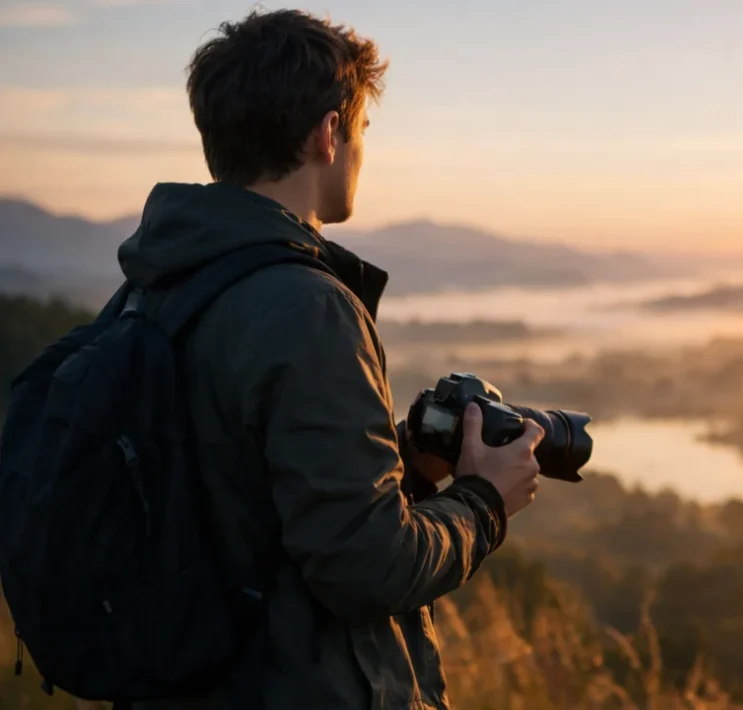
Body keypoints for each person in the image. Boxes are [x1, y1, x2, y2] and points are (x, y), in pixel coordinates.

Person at [121, 9, 542, 709]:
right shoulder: (306, 306)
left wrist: (400, 470)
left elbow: (237, 492)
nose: (362, 151)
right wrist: (484, 503)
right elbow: (365, 564)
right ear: (328, 133)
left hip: (184, 679)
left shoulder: (156, 285)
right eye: (363, 131)